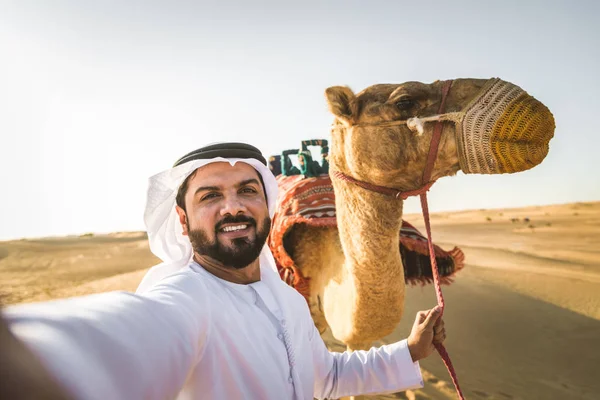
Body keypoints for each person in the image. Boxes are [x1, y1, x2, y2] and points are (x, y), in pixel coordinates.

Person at [4, 142, 446, 400]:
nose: (232, 205)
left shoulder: (288, 300)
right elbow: (125, 338)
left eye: (247, 191)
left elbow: (325, 378)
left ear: (267, 208)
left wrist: (408, 350)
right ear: (183, 220)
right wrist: (36, 358)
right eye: (209, 195)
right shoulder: (184, 299)